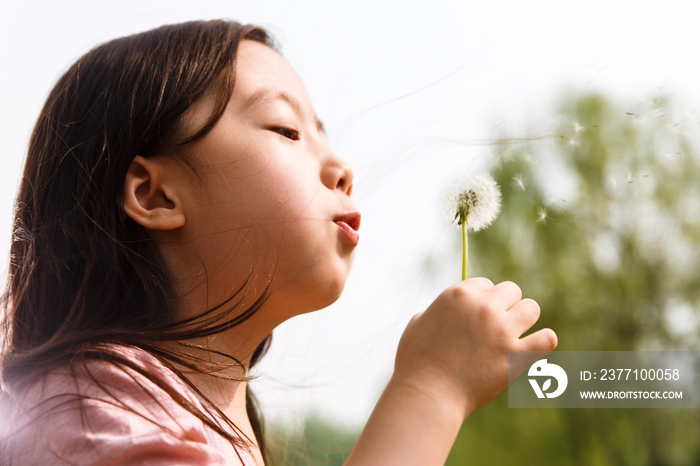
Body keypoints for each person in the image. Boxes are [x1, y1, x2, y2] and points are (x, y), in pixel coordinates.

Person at [0, 19, 557, 465]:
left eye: (323, 133)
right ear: (155, 195)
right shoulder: (96, 417)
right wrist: (432, 391)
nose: (341, 167)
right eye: (286, 130)